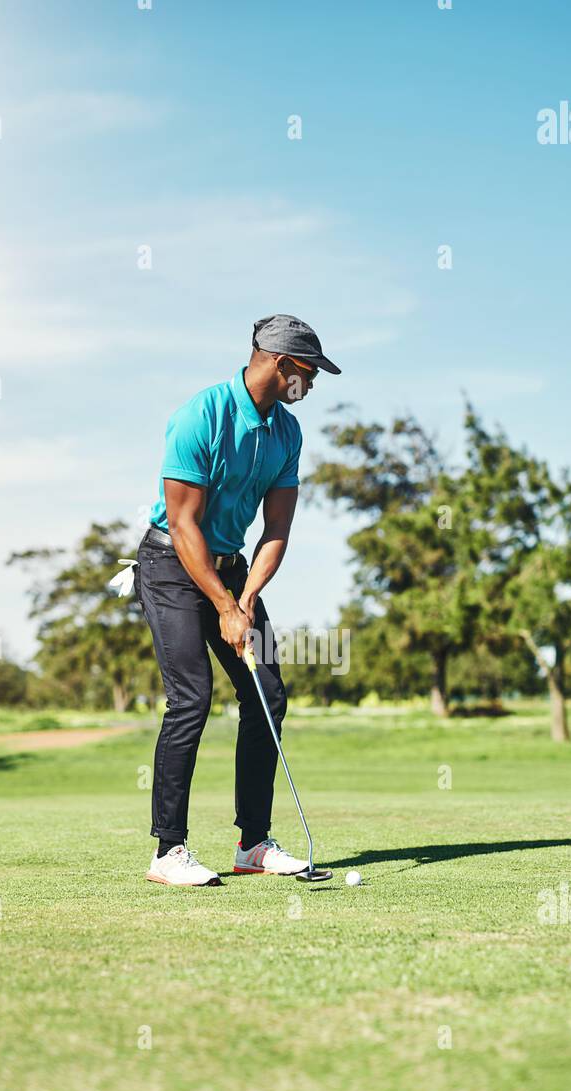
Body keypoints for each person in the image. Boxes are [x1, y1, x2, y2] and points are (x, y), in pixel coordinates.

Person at [135, 314, 341, 886]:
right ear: (280, 363)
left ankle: (253, 844)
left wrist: (245, 597)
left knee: (267, 692)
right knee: (191, 698)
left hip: (233, 570)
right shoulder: (200, 416)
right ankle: (168, 852)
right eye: (309, 371)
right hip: (171, 567)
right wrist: (223, 606)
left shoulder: (287, 434)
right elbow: (182, 524)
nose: (313, 383)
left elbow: (277, 530)